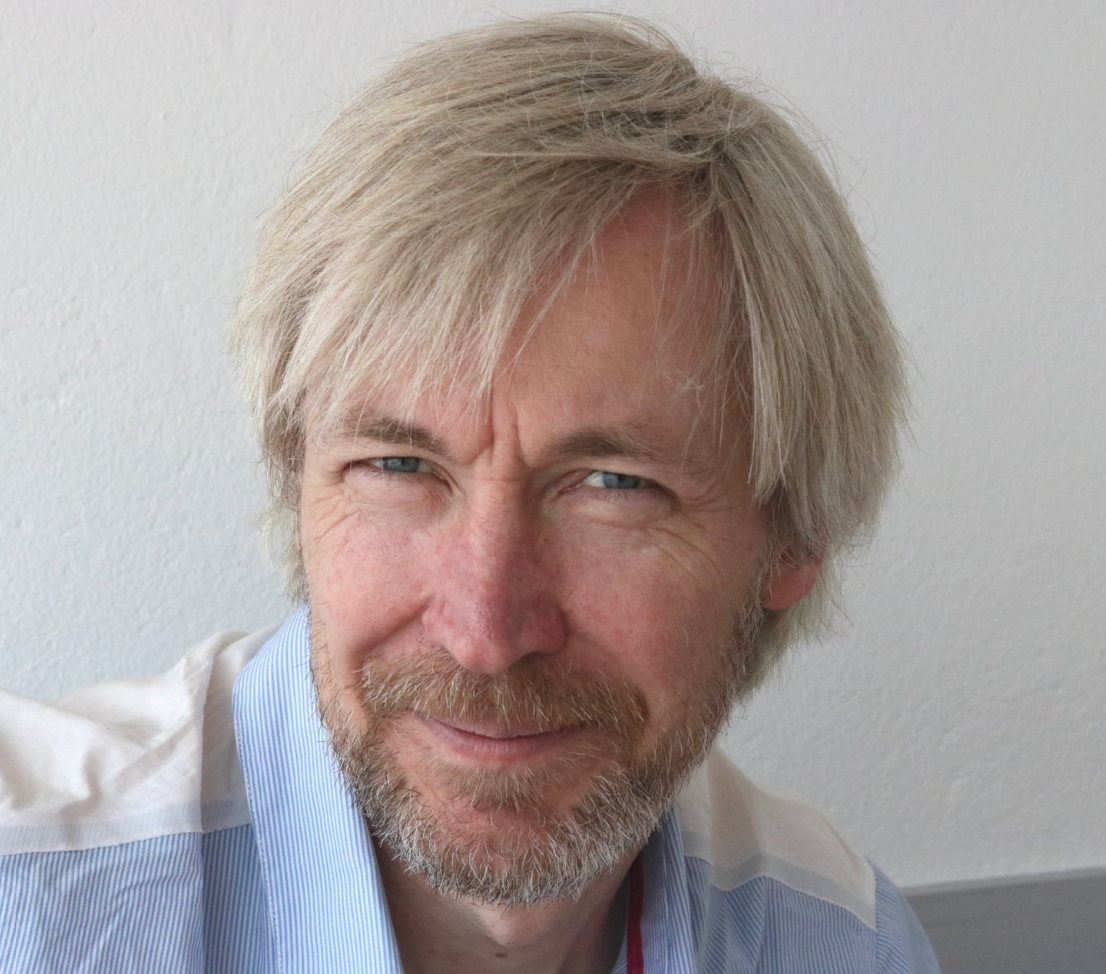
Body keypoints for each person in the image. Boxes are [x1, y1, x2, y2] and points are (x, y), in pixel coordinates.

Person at [0, 14, 940, 973]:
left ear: (796, 533)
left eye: (614, 486)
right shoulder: (24, 902)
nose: (484, 632)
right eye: (399, 467)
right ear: (298, 483)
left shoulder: (839, 944)